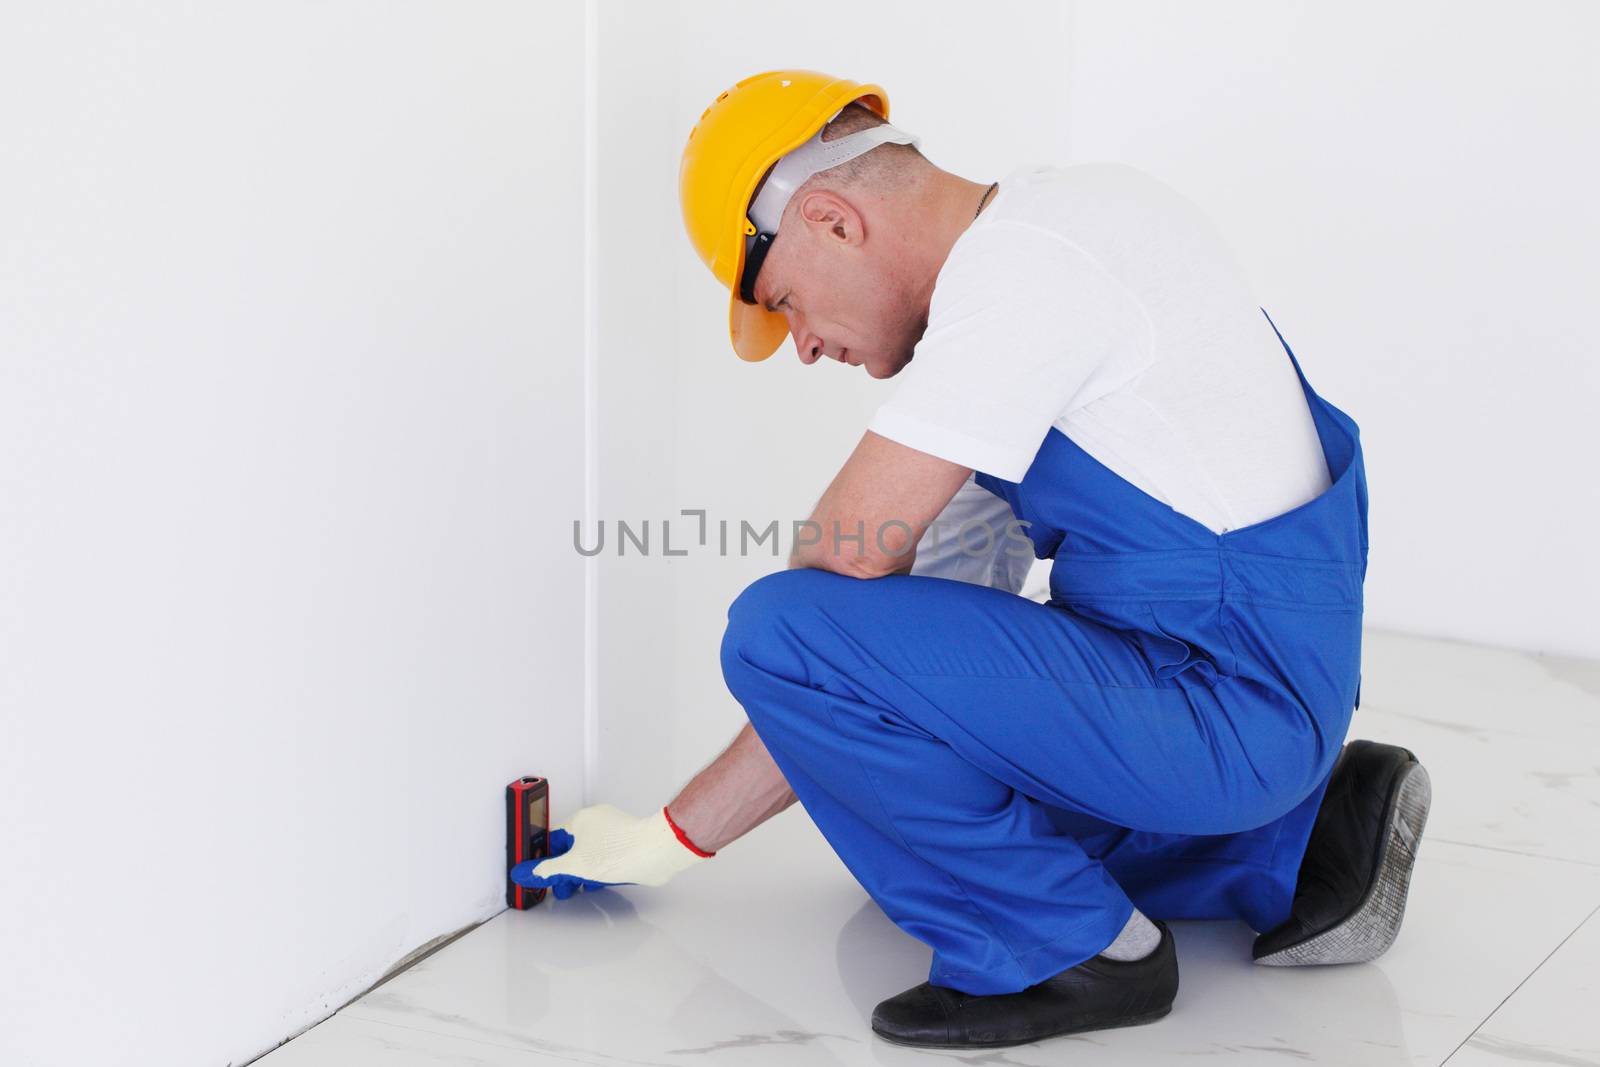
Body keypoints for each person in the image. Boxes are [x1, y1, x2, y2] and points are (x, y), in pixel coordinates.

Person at [511, 69, 1433, 1050]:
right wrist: (670, 838)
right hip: (1236, 694)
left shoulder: (1029, 271)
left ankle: (1073, 950)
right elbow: (891, 662)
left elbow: (831, 586)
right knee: (898, 810)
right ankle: (1293, 843)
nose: (802, 347)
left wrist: (687, 816)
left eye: (783, 302)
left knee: (780, 624)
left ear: (830, 219)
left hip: (1220, 704)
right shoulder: (1060, 236)